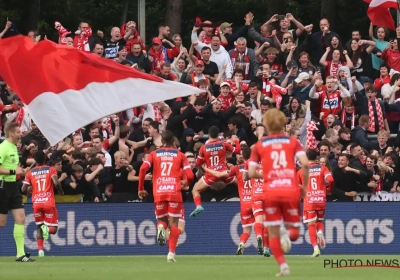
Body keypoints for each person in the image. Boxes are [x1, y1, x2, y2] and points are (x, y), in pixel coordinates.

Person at [248, 108, 309, 277]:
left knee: (272, 232)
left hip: (271, 192)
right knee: (295, 233)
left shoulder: (259, 145)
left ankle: (283, 266)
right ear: (283, 123)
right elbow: (304, 163)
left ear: (266, 125)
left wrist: (266, 175)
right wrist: (304, 186)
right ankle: (287, 233)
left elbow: (251, 173)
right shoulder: (293, 142)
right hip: (290, 190)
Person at [138, 130, 194, 262]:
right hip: (174, 191)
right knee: (174, 225)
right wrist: (186, 183)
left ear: (162, 141)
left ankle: (161, 228)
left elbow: (142, 169)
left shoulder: (153, 154)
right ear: (174, 141)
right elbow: (190, 175)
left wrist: (140, 188)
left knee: (162, 221)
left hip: (159, 191)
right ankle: (170, 254)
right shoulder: (180, 155)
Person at [203, 147, 259, 255]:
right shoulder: (257, 168)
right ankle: (263, 245)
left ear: (242, 157)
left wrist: (207, 169)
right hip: (256, 201)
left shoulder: (237, 169)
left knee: (246, 231)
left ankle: (242, 243)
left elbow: (219, 175)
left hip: (244, 204)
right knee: (262, 224)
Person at [0, 123, 34, 262]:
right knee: (1, 223)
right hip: (2, 187)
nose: (21, 134)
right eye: (19, 132)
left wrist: (21, 172)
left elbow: (13, 168)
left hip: (12, 186)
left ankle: (20, 254)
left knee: (21, 218)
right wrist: (14, 171)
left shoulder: (14, 147)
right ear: (11, 133)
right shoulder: (3, 147)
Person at [189, 126, 241, 217]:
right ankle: (249, 200)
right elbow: (237, 151)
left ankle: (198, 206)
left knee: (195, 190)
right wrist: (236, 141)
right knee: (241, 184)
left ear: (208, 135)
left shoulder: (204, 148)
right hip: (224, 173)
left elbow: (198, 163)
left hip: (211, 175)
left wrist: (205, 161)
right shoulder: (224, 144)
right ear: (218, 135)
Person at [22, 150, 63, 257]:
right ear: (45, 159)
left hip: (36, 203)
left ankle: (40, 251)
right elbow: (56, 182)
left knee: (39, 227)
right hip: (48, 202)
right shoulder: (51, 169)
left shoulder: (30, 172)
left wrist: (30, 187)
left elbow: (23, 188)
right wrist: (60, 191)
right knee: (53, 229)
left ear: (35, 160)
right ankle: (47, 229)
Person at [298, 149, 333, 257]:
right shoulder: (323, 168)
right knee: (319, 221)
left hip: (309, 200)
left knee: (311, 224)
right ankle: (320, 232)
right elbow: (330, 180)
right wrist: (329, 190)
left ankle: (316, 249)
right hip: (321, 199)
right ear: (316, 158)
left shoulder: (301, 171)